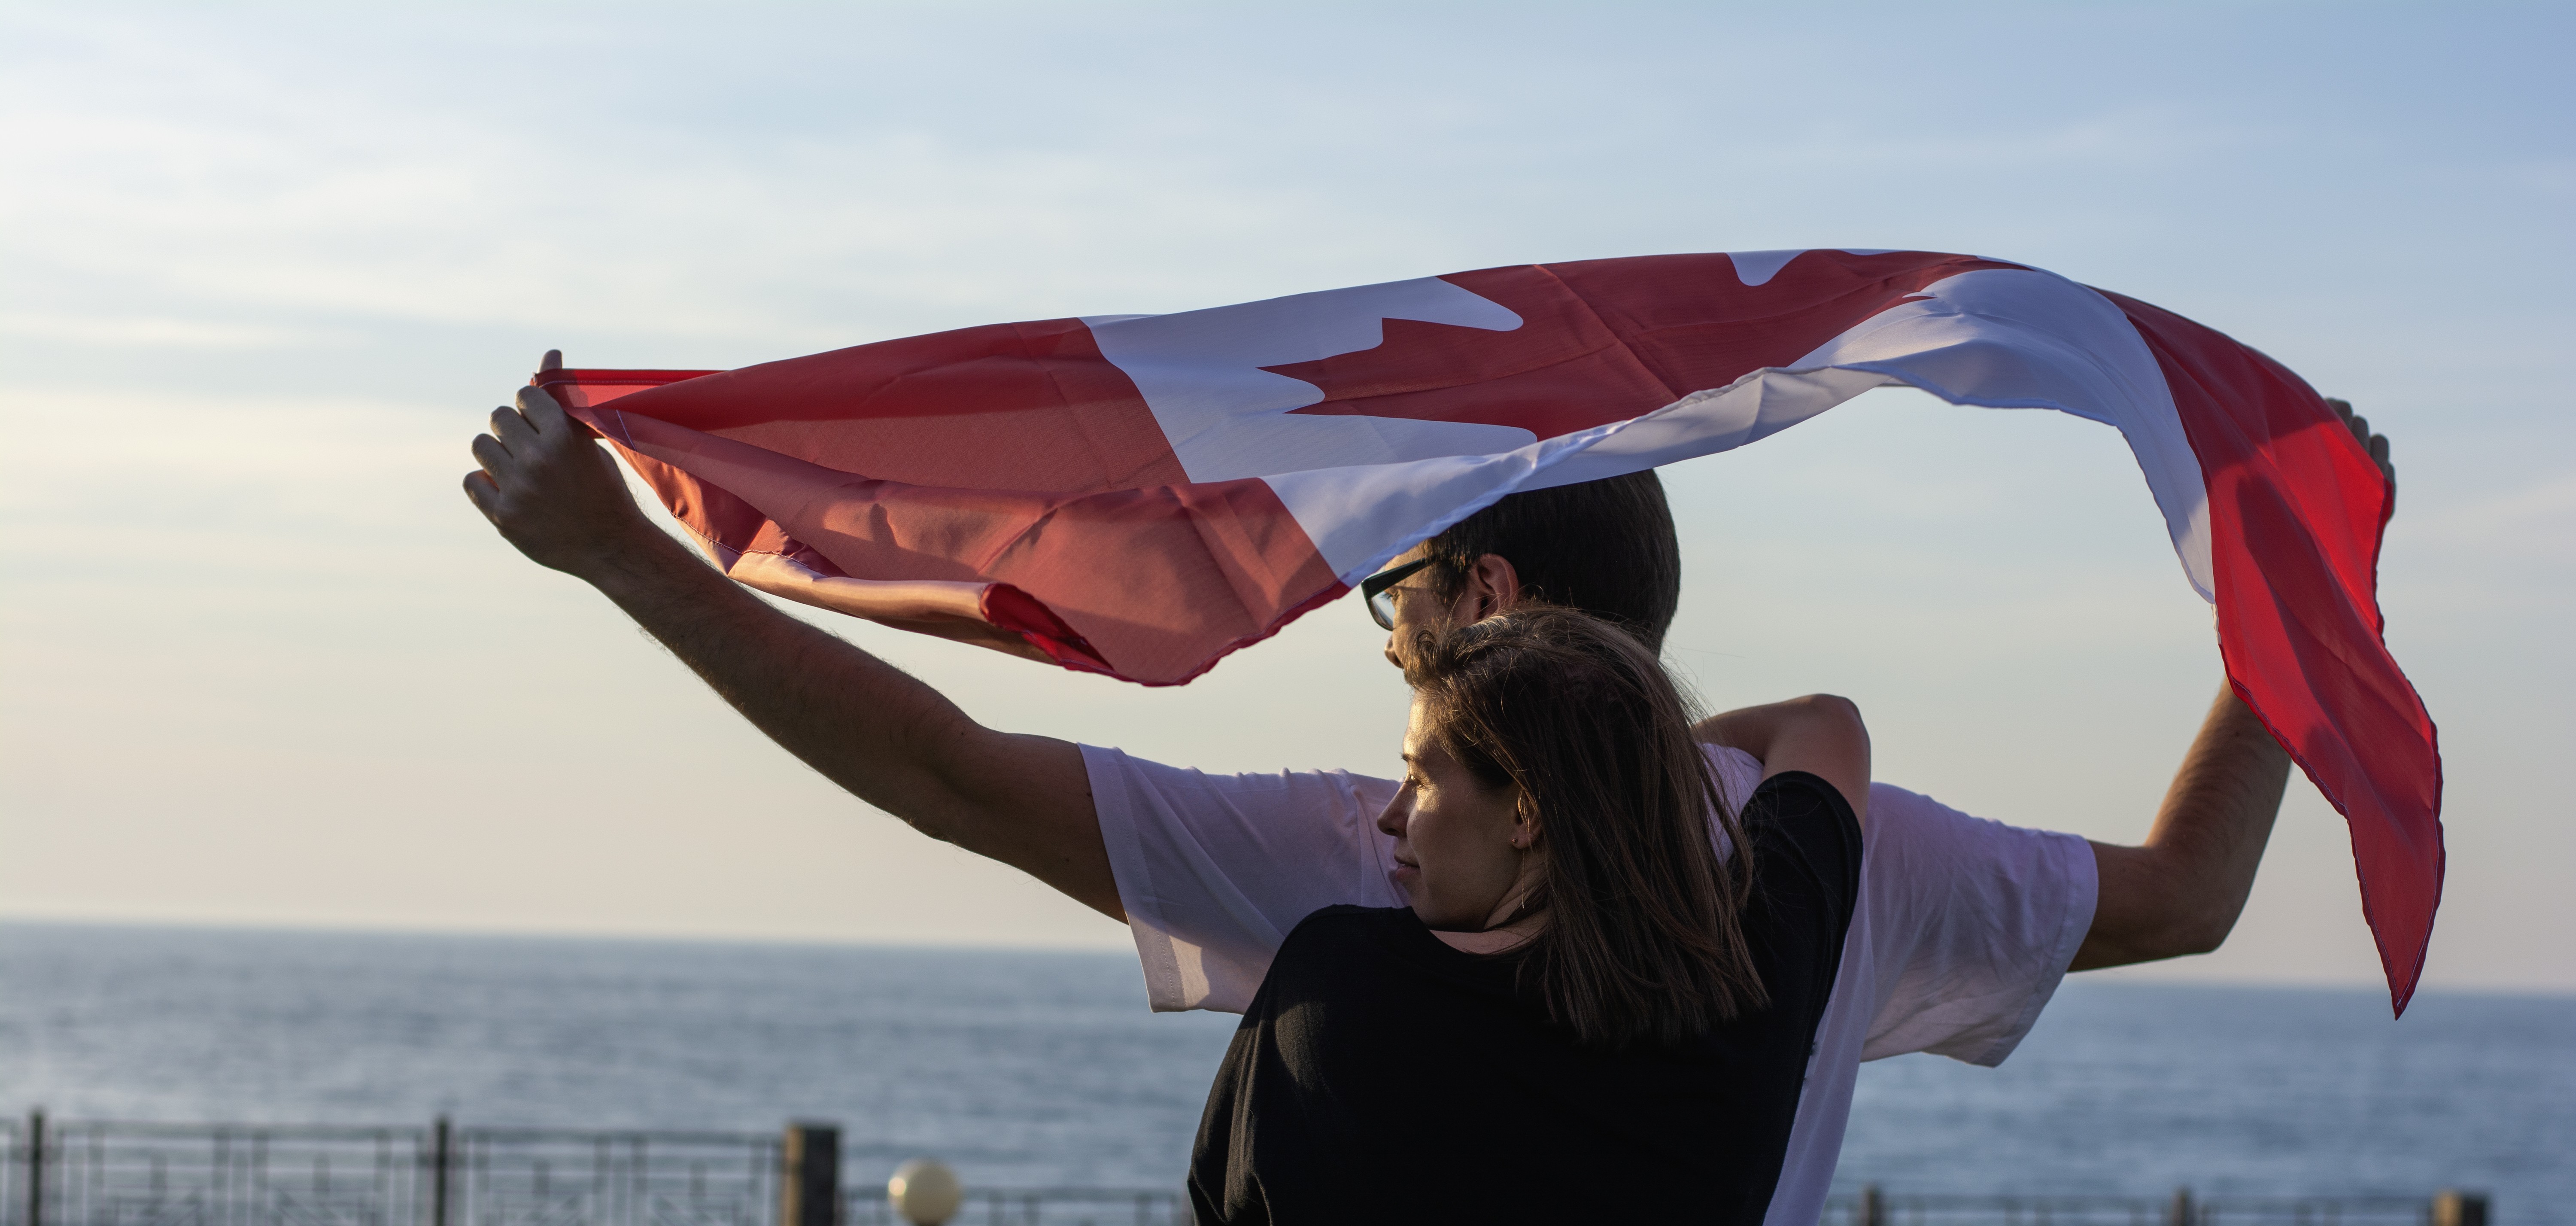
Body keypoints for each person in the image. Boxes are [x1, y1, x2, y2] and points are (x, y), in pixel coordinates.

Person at [465, 362, 2394, 1222]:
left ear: (1482, 599)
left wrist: (627, 561)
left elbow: (944, 775)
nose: (1361, 624)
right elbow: (2185, 895)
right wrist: (2298, 610)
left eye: (1383, 585)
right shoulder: (1836, 863)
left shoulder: (1352, 852)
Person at [1190, 606, 1868, 1224]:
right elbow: (1824, 725)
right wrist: (1625, 768)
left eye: (1420, 780)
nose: (1392, 817)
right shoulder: (1750, 1002)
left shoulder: (1339, 984)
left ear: (1528, 811)